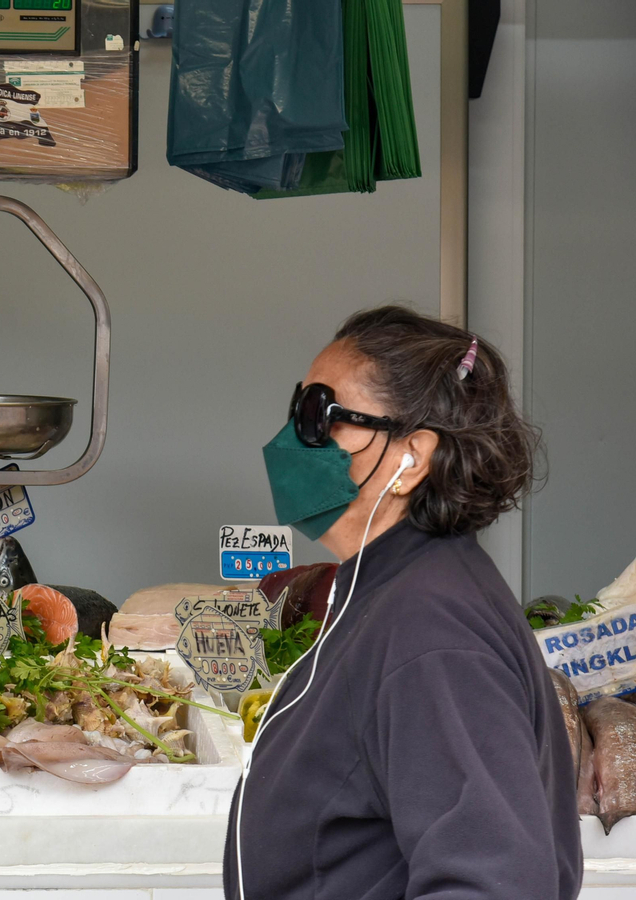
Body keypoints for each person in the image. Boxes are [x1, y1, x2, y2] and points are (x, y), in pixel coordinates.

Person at [229, 306, 580, 899]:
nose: (293, 437)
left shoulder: (432, 631)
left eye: (319, 415)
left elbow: (494, 883)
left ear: (412, 456)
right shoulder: (391, 588)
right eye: (298, 408)